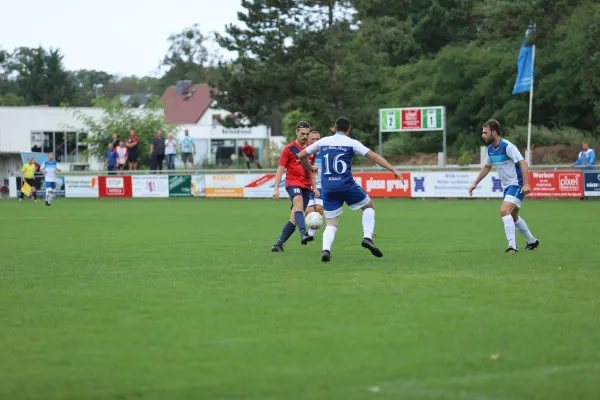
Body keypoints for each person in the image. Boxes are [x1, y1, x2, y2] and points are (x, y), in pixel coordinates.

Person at [298, 117, 403, 263]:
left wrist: (310, 168)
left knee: (331, 223)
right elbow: (373, 156)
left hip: (328, 188)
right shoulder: (351, 142)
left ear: (334, 128)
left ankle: (326, 250)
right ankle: (367, 238)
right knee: (369, 207)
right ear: (349, 130)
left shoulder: (323, 141)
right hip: (347, 185)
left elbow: (301, 155)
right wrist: (393, 169)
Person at [468, 119, 539, 253]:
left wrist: (526, 184)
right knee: (513, 216)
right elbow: (487, 167)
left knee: (504, 211)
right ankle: (532, 241)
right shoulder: (490, 149)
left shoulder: (508, 146)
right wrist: (475, 183)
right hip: (507, 187)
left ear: (494, 133)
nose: (483, 135)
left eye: (485, 132)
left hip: (516, 184)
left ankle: (512, 246)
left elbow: (523, 163)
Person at [271, 121, 318, 252]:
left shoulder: (311, 150)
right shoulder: (288, 149)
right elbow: (280, 169)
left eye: (307, 134)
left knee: (294, 219)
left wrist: (314, 187)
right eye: (302, 133)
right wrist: (276, 188)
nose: (305, 136)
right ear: (296, 132)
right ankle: (303, 233)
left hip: (307, 186)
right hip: (293, 183)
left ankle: (278, 244)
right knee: (298, 201)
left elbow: (311, 170)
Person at [305, 130, 324, 237]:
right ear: (308, 140)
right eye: (313, 139)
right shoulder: (305, 153)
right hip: (307, 186)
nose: (316, 141)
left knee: (319, 209)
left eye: (318, 139)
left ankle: (310, 235)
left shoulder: (324, 153)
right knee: (310, 211)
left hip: (321, 186)